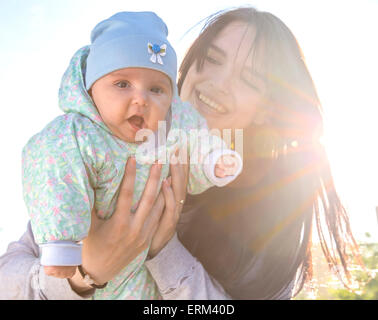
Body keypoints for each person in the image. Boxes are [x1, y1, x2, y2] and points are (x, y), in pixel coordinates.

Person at [0, 6, 362, 300]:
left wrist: (162, 250)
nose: (216, 85)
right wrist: (84, 274)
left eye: (249, 80)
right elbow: (8, 279)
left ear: (269, 109)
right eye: (212, 60)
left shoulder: (268, 227)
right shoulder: (102, 153)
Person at [19, 11, 241, 300]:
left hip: (141, 278)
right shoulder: (78, 136)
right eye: (122, 84)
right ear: (91, 88)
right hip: (92, 264)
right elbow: (54, 177)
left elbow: (196, 144)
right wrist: (64, 247)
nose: (141, 99)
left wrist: (213, 162)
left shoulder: (170, 129)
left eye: (156, 89)